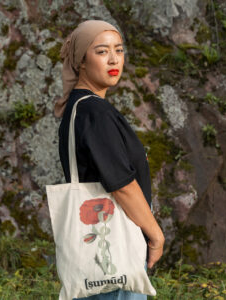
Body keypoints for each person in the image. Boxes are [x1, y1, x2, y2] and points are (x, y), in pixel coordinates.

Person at [55, 20, 165, 300]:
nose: (114, 59)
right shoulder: (95, 113)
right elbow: (122, 185)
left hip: (91, 251)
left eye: (119, 50)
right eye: (102, 51)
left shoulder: (77, 108)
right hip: (116, 246)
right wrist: (155, 234)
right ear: (81, 60)